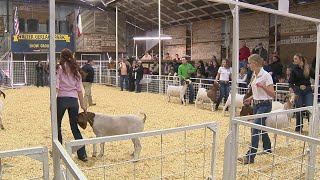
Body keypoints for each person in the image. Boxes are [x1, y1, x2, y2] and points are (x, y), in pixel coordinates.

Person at [239, 54, 275, 164]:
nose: (248, 65)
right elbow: (256, 92)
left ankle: (250, 157)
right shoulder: (254, 74)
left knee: (254, 128)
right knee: (261, 127)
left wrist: (263, 86)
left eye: (249, 63)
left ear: (254, 63)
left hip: (265, 105)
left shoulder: (266, 75)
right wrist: (250, 98)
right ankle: (268, 148)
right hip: (256, 104)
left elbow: (272, 94)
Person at [56, 48, 88, 162]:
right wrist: (83, 105)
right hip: (73, 100)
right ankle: (82, 154)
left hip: (61, 99)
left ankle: (58, 152)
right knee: (75, 127)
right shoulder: (76, 70)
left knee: (57, 125)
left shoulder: (60, 68)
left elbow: (56, 86)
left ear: (61, 56)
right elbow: (80, 90)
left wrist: (52, 103)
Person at [288, 53, 315, 132]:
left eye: (296, 58)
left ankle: (312, 127)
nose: (294, 60)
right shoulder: (294, 69)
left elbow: (315, 76)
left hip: (308, 90)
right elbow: (290, 81)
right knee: (299, 109)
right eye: (294, 59)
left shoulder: (308, 68)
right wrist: (291, 88)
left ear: (300, 59)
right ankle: (299, 127)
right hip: (298, 90)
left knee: (309, 108)